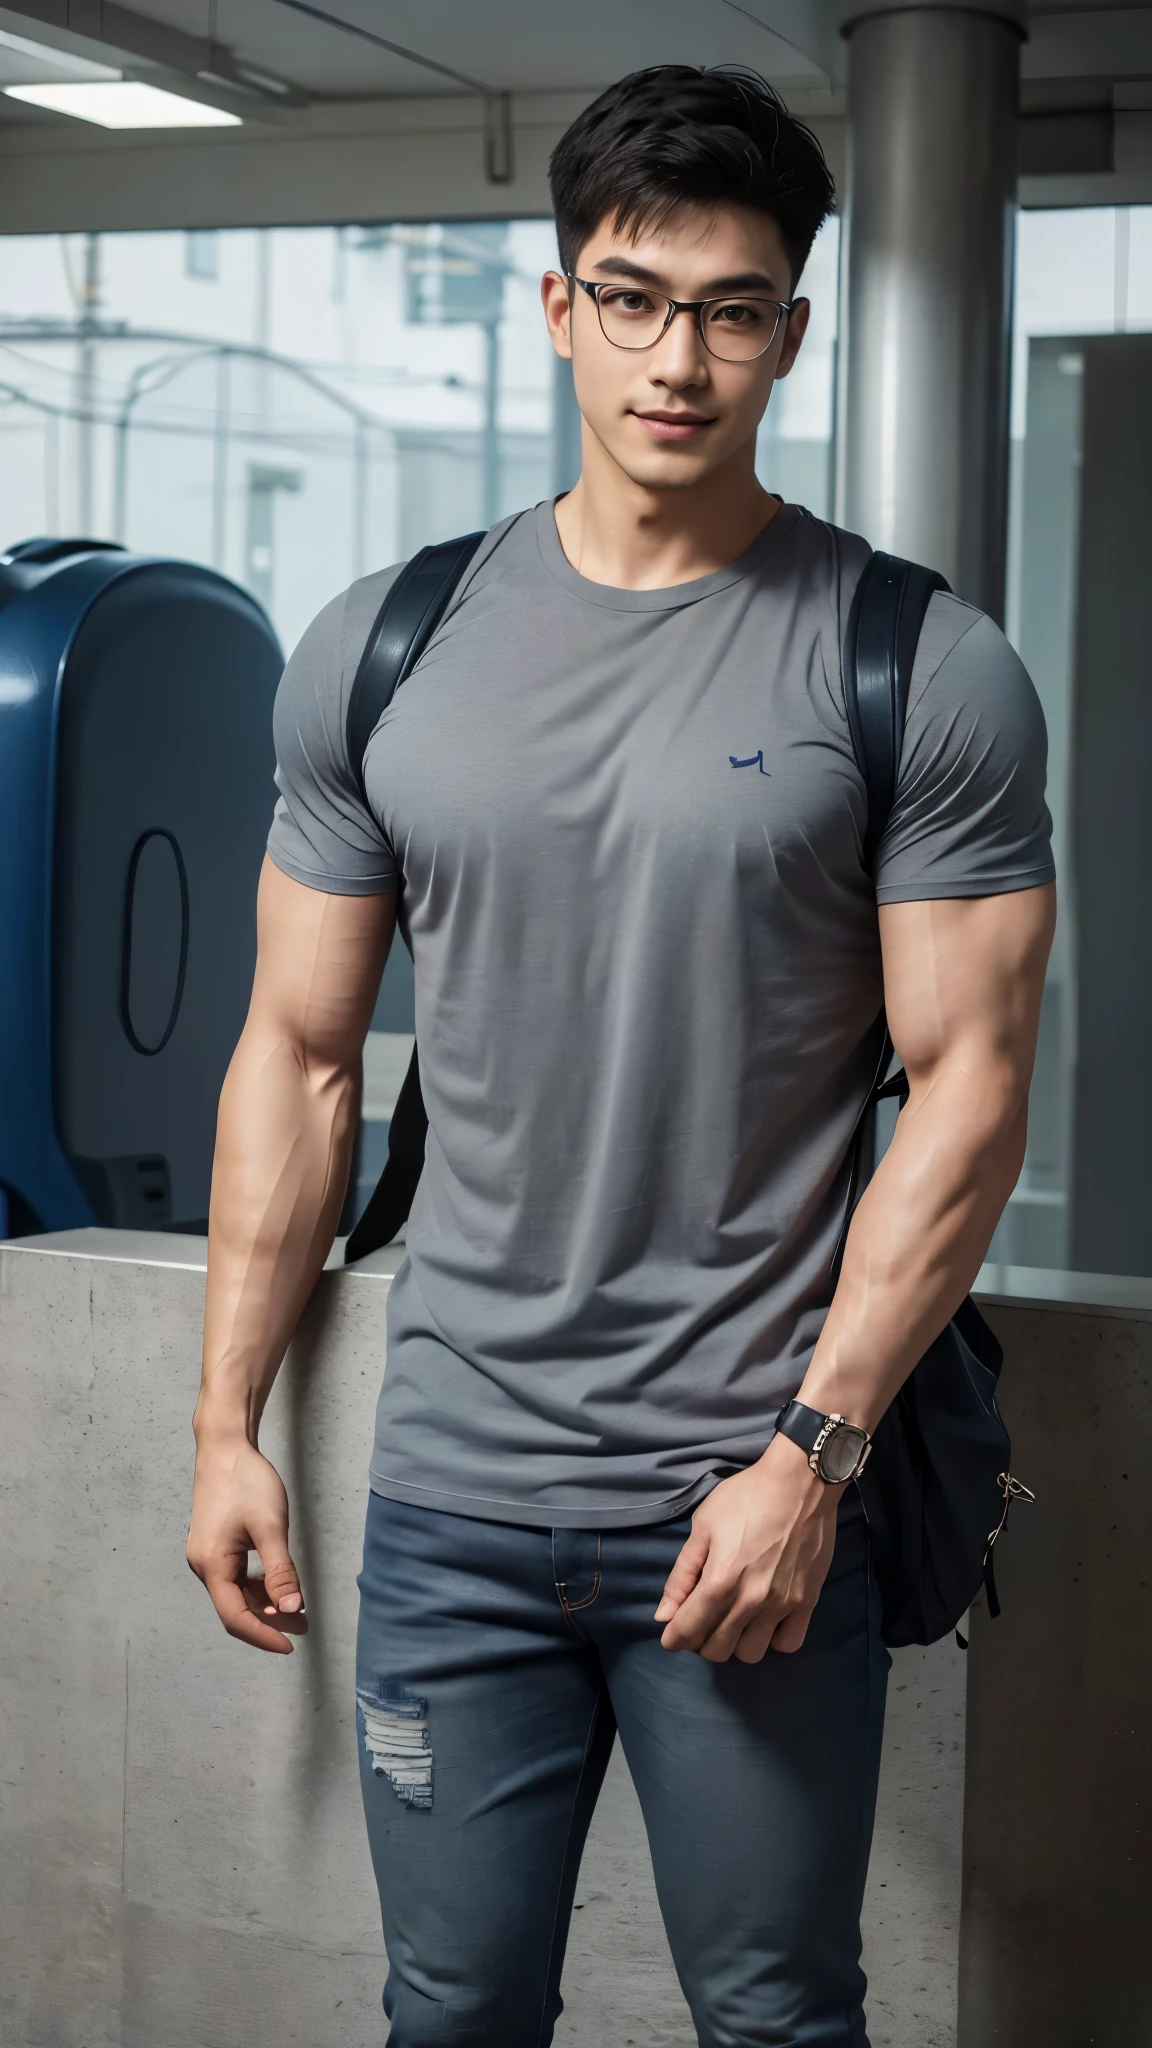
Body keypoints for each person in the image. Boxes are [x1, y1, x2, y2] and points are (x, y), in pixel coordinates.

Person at [186, 64, 1055, 2048]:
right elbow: (298, 1058)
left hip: (745, 1500)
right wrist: (228, 1419)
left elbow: (976, 1092)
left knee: (772, 2014)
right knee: (452, 2009)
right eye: (635, 295)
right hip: (450, 1506)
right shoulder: (387, 643)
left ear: (793, 335)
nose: (682, 356)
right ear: (561, 306)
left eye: (733, 308)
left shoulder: (914, 663)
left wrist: (811, 1459)